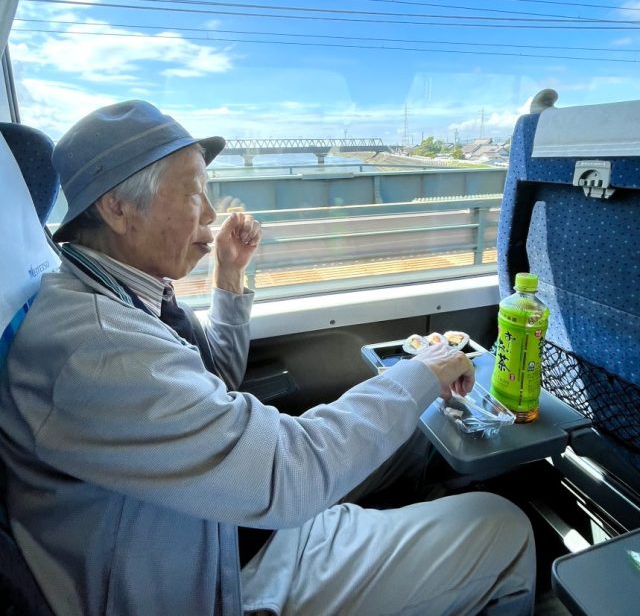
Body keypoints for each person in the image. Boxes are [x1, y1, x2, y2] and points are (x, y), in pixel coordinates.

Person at [0, 100, 536, 616]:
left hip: (217, 515)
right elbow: (289, 474)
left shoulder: (118, 294)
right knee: (504, 528)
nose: (211, 214)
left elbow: (214, 378)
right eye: (194, 194)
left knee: (414, 440)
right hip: (224, 572)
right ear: (118, 208)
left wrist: (229, 275)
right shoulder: (97, 348)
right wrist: (422, 372)